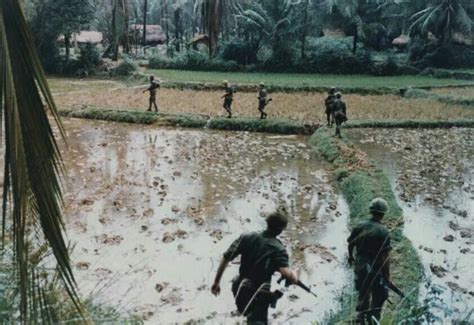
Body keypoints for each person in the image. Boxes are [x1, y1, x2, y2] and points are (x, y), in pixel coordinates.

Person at [211, 209, 299, 324]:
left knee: (248, 316)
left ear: (267, 223)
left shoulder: (247, 237)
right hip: (259, 293)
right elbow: (287, 275)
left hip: (239, 287)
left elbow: (226, 258)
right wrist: (295, 273)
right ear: (280, 230)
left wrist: (216, 282)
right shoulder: (278, 249)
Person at [347, 198, 392, 324]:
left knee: (363, 291)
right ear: (383, 214)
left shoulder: (360, 226)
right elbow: (385, 257)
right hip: (376, 269)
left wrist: (351, 257)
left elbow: (350, 244)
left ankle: (361, 317)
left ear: (371, 211)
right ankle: (373, 318)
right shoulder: (384, 232)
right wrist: (387, 277)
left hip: (360, 265)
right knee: (380, 295)